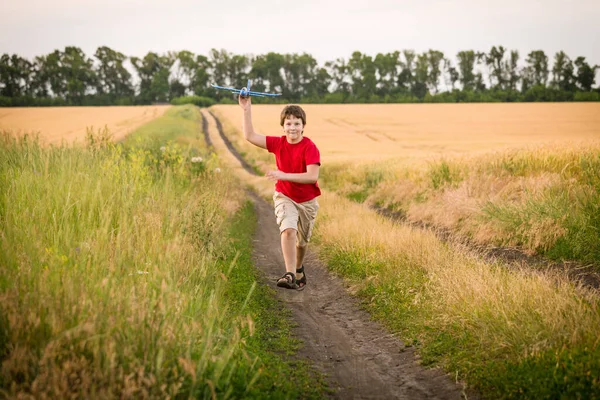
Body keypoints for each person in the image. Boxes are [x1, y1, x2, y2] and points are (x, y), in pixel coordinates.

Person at [239, 94, 321, 290]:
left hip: (307, 201)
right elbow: (250, 136)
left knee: (302, 243)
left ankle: (299, 268)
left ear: (303, 126)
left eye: (297, 123)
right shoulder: (278, 143)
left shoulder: (310, 147)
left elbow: (311, 177)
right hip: (285, 196)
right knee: (288, 230)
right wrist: (246, 109)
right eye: (288, 123)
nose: (292, 127)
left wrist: (283, 175)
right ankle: (290, 274)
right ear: (283, 127)